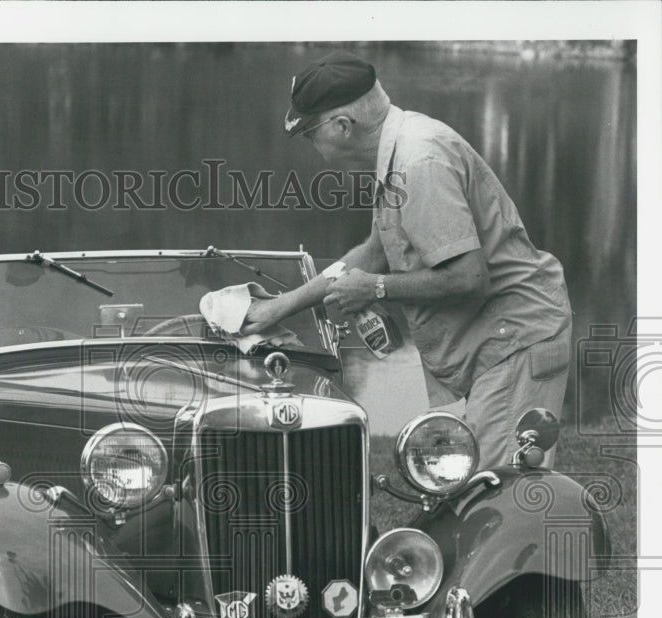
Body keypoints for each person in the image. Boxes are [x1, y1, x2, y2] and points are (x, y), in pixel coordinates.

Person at [243, 50, 572, 469]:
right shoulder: (398, 151)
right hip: (496, 342)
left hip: (515, 342)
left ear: (343, 126)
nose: (311, 144)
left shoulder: (419, 161)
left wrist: (375, 288)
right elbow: (374, 251)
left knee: (501, 498)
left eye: (309, 133)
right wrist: (285, 304)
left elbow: (470, 277)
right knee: (471, 490)